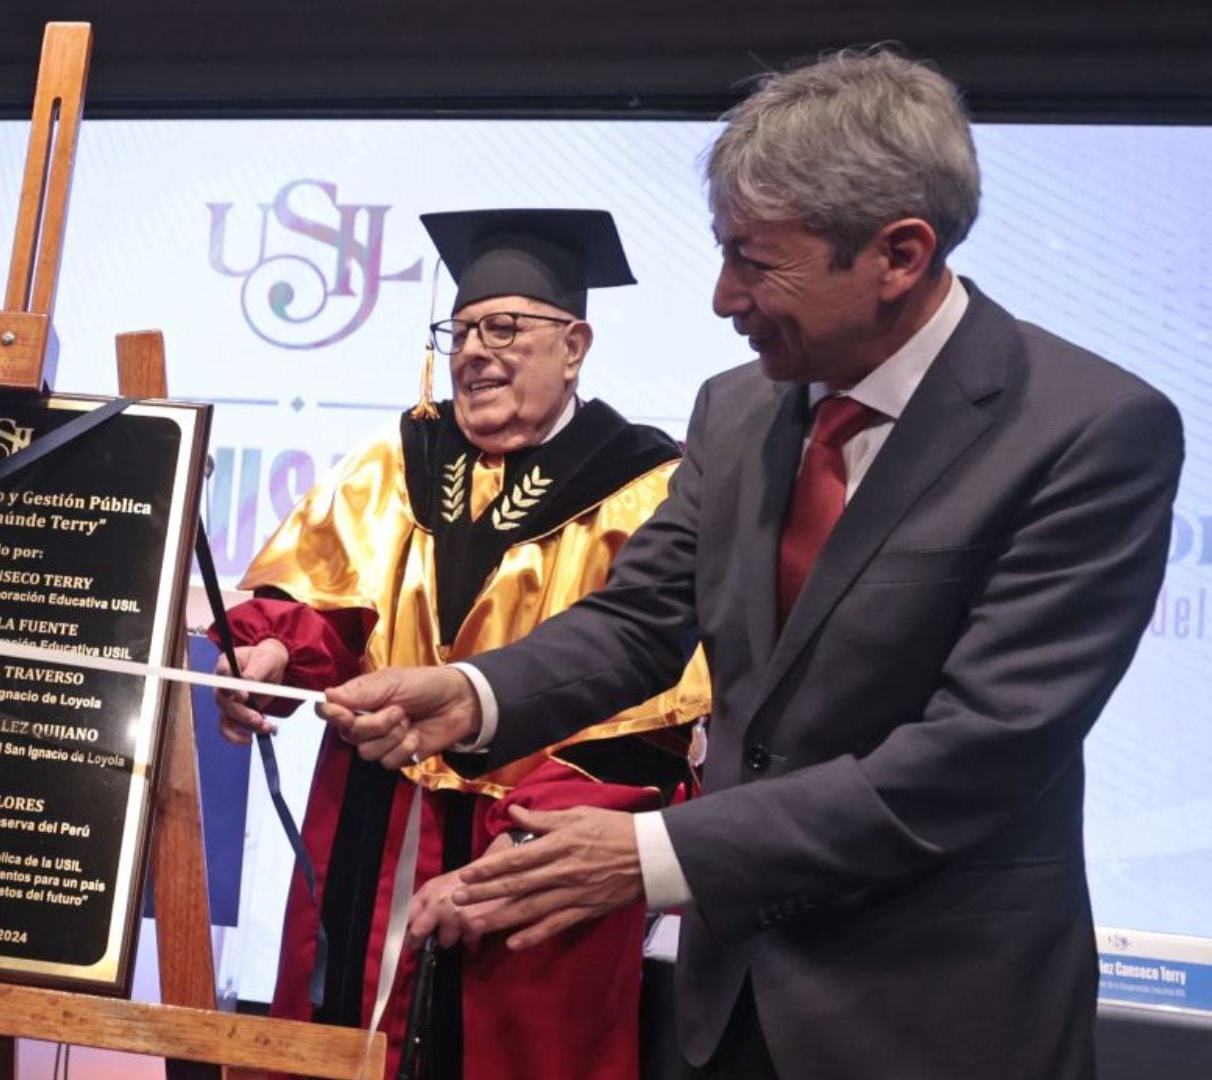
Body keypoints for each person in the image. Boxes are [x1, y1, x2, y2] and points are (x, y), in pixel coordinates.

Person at [323, 49, 1185, 1080]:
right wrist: (469, 695)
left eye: (757, 261)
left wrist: (653, 858)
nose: (725, 297)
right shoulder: (736, 409)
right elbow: (641, 622)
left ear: (900, 254)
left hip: (939, 1019)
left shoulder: (1090, 433)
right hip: (728, 1010)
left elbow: (972, 759)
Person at [213, 209, 709, 1078]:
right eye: (463, 330)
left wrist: (528, 843)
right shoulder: (398, 459)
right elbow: (325, 601)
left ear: (575, 344)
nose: (475, 351)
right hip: (372, 818)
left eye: (505, 328)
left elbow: (652, 715)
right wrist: (273, 653)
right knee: (333, 1038)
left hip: (534, 841)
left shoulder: (645, 485)